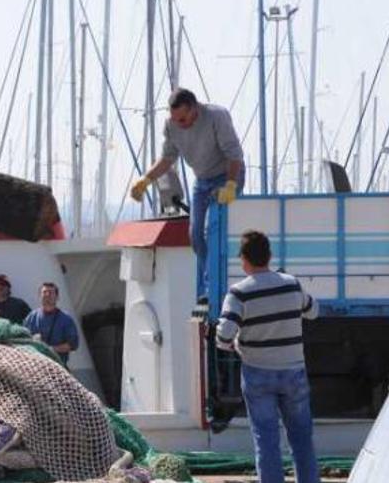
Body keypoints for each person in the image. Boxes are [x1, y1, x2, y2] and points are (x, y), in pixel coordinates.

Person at [216, 230, 320, 483]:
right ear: (269, 255)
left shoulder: (239, 292)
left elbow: (225, 335)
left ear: (244, 259)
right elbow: (313, 311)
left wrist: (231, 343)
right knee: (302, 438)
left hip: (258, 373)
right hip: (294, 372)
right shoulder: (291, 283)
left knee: (266, 440)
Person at [130, 87, 246, 303]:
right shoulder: (171, 125)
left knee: (212, 230)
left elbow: (234, 155)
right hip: (202, 181)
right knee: (195, 235)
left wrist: (230, 185)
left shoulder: (216, 117)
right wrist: (145, 179)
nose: (179, 124)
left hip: (229, 174)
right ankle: (205, 290)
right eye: (175, 119)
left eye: (183, 119)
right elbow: (167, 159)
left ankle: (212, 289)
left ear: (195, 109)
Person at [23, 282, 79, 363]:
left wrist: (50, 349)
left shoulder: (66, 319)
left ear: (57, 297)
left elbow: (72, 344)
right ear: (40, 296)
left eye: (51, 292)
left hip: (58, 365)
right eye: (44, 292)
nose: (47, 295)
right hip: (35, 365)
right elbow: (23, 339)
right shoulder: (32, 317)